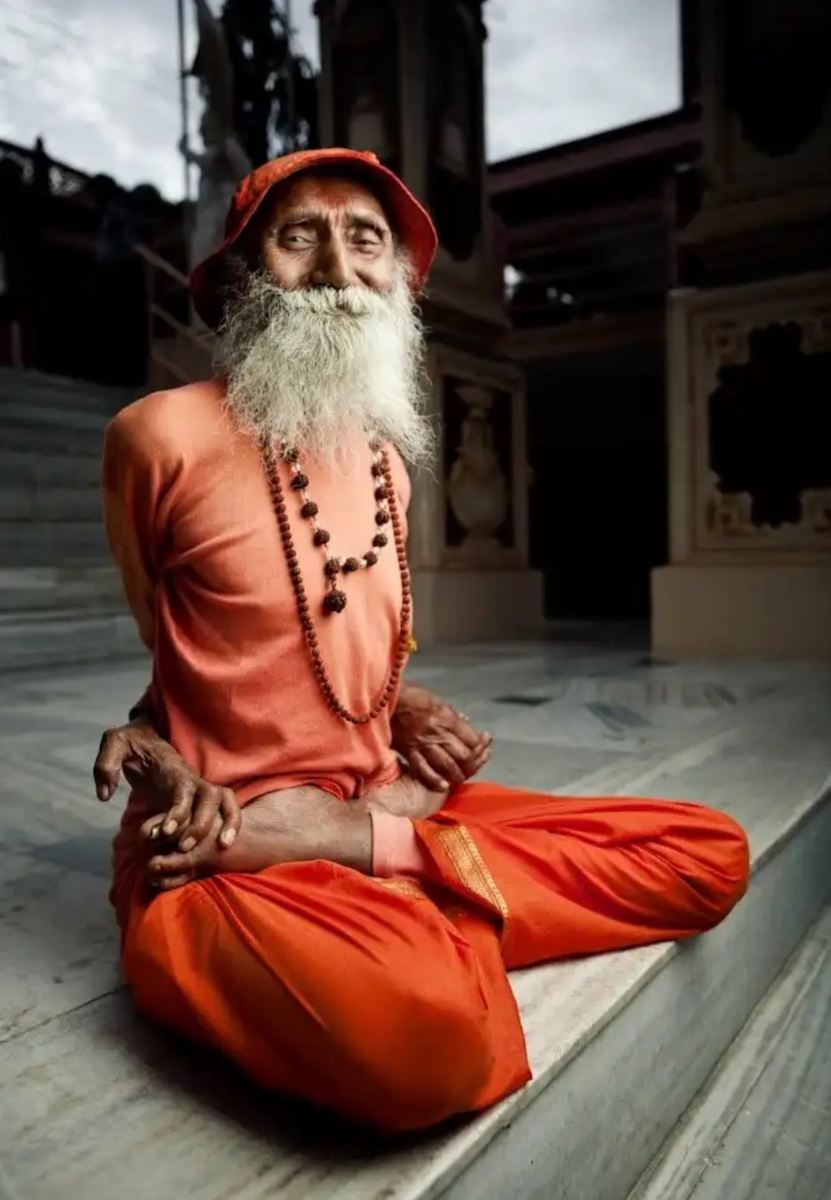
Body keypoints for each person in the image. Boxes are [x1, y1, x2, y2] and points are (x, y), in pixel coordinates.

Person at [96, 147, 749, 1135]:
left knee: (710, 852)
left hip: (376, 807)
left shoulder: (389, 469)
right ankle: (418, 899)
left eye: (366, 241)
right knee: (426, 1044)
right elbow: (175, 651)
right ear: (241, 277)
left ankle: (387, 871)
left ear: (398, 284)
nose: (335, 268)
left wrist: (392, 722)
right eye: (297, 237)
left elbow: (349, 645)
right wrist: (179, 771)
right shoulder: (155, 439)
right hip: (225, 846)